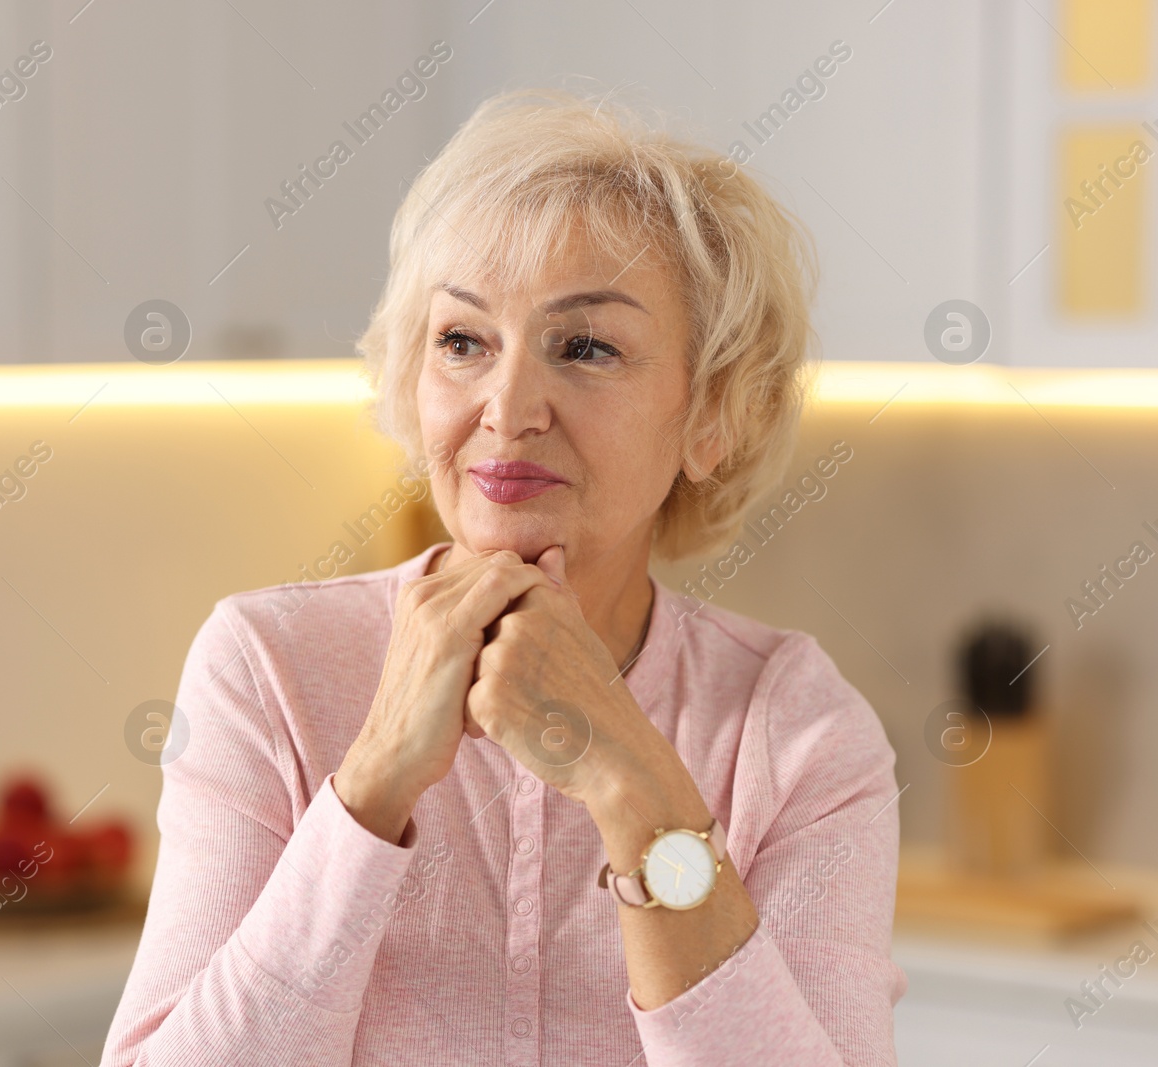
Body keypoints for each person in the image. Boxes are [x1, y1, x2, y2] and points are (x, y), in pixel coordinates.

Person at [101, 87, 904, 1066]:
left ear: (712, 413)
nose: (509, 404)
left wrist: (632, 780)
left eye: (585, 346)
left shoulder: (796, 730)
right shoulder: (266, 666)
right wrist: (372, 780)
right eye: (463, 341)